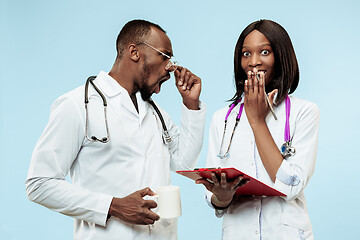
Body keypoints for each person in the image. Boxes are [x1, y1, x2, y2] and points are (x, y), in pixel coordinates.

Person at [26, 19, 206, 240]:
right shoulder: (77, 105)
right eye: (165, 56)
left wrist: (191, 105)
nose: (171, 67)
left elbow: (184, 164)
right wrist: (113, 206)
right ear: (134, 52)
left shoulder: (155, 112)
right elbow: (39, 184)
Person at [196, 19, 319, 239]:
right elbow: (212, 195)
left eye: (264, 52)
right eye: (246, 54)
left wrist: (256, 120)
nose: (253, 62)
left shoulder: (304, 112)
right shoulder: (222, 119)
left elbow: (290, 187)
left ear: (281, 56)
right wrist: (221, 198)